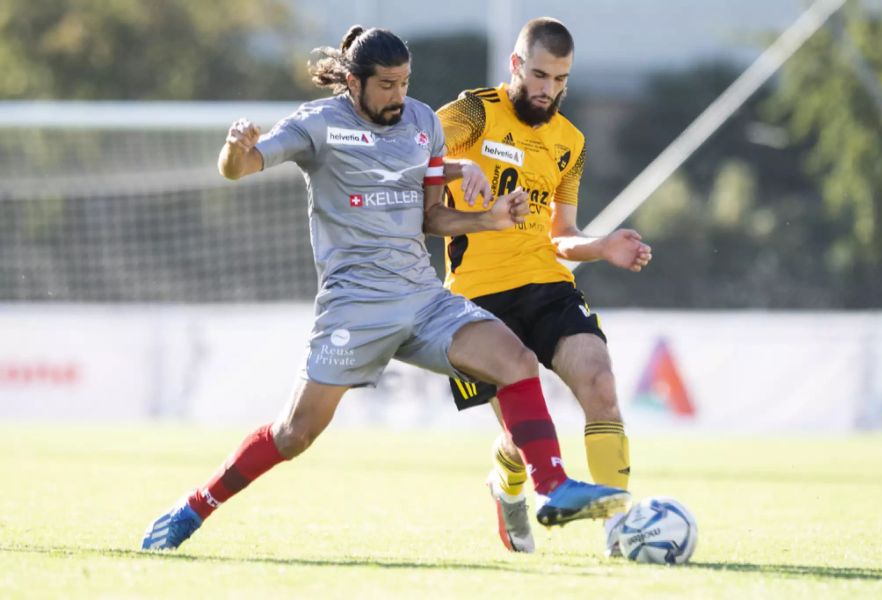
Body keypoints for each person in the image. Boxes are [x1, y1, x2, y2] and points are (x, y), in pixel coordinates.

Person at [140, 26, 630, 551]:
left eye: (405, 83)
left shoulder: (423, 121)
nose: (400, 97)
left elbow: (433, 216)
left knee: (517, 361)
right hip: (356, 305)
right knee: (294, 434)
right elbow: (242, 168)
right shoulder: (318, 124)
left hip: (423, 298)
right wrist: (236, 150)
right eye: (387, 86)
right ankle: (195, 506)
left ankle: (553, 488)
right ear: (354, 83)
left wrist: (487, 216)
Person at [436, 17, 652, 554]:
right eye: (538, 75)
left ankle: (618, 530)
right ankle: (506, 484)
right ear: (515, 65)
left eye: (560, 80)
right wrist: (461, 169)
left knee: (601, 385)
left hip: (547, 286)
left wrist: (600, 247)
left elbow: (562, 236)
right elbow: (410, 153)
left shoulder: (570, 143)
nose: (548, 90)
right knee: (518, 435)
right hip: (475, 297)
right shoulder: (472, 111)